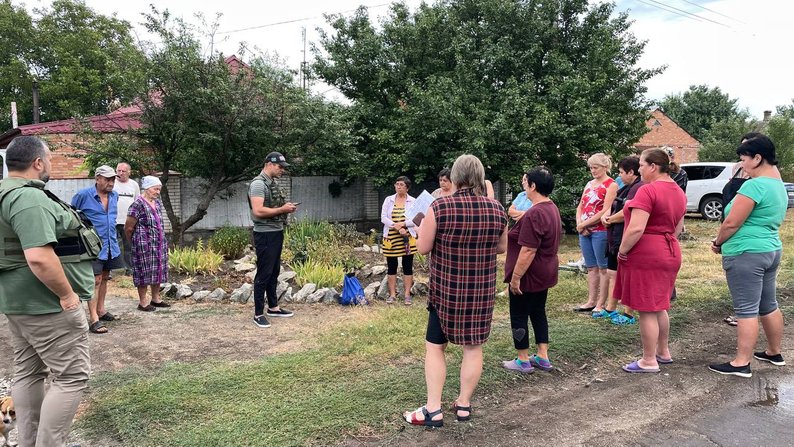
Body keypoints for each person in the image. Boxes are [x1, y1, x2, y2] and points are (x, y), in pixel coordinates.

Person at [0, 136, 92, 446]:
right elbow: (39, 256)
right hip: (46, 305)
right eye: (49, 159)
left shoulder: (4, 193)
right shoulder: (28, 198)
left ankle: (28, 441)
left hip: (18, 302)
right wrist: (68, 296)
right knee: (71, 377)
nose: (50, 165)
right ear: (38, 162)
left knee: (28, 371)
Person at [403, 154, 507, 427]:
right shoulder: (497, 209)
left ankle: (433, 410)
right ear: (480, 177)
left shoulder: (441, 207)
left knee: (435, 347)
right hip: (481, 291)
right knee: (473, 347)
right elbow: (501, 247)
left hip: (447, 290)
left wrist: (418, 229)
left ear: (457, 177)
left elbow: (424, 247)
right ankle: (463, 405)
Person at [709, 135, 787, 378]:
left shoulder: (754, 185)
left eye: (743, 159)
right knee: (768, 304)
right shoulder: (778, 184)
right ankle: (774, 352)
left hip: (746, 252)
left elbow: (732, 222)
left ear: (757, 158)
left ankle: (741, 363)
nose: (741, 164)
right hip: (770, 249)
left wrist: (718, 242)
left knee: (746, 309)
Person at [614, 148, 687, 373]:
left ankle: (648, 360)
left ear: (653, 166)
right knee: (660, 305)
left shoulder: (647, 191)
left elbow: (636, 228)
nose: (640, 170)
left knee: (646, 307)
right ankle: (663, 352)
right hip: (669, 249)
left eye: (642, 166)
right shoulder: (678, 191)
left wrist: (623, 250)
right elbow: (677, 229)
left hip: (647, 251)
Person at [502, 167, 561, 373]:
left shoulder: (534, 213)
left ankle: (523, 358)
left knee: (519, 313)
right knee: (538, 312)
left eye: (526, 182)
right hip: (545, 271)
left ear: (534, 186)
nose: (524, 186)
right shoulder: (551, 207)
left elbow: (528, 250)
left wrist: (516, 277)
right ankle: (543, 356)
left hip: (530, 273)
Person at [71, 164, 124, 334]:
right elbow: (72, 216)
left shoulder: (115, 195)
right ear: (97, 179)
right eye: (107, 179)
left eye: (113, 179)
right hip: (92, 246)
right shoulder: (83, 195)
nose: (111, 182)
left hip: (111, 244)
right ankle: (94, 319)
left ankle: (101, 310)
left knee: (106, 277)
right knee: (95, 280)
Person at [249, 151, 296, 328]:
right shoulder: (258, 185)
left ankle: (273, 307)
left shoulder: (270, 183)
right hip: (265, 234)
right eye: (280, 166)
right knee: (264, 273)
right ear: (269, 164)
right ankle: (258, 313)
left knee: (274, 271)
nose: (282, 170)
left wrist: (285, 208)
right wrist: (282, 209)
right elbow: (258, 211)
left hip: (275, 231)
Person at [599, 155, 643, 325]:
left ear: (631, 172)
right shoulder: (627, 187)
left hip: (624, 236)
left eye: (621, 172)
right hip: (614, 237)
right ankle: (610, 308)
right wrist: (607, 214)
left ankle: (628, 313)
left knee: (625, 276)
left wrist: (609, 219)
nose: (620, 176)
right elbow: (614, 203)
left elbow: (628, 211)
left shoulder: (639, 187)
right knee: (613, 273)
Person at [573, 153, 617, 315]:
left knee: (602, 267)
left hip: (600, 230)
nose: (592, 170)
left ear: (605, 167)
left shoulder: (611, 185)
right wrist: (579, 224)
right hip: (584, 230)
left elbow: (606, 209)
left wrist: (585, 223)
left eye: (596, 167)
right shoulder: (589, 184)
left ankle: (601, 302)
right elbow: (581, 206)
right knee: (591, 267)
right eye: (591, 167)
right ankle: (591, 300)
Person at [125, 176, 170, 312]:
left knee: (158, 270)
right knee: (144, 272)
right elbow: (128, 227)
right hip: (143, 245)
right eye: (155, 189)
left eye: (159, 189)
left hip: (159, 243)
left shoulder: (157, 203)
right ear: (147, 188)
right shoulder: (137, 204)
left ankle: (156, 298)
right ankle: (143, 302)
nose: (158, 192)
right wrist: (134, 242)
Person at [381, 176, 417, 305]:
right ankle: (392, 294)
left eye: (401, 185)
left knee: (408, 266)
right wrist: (396, 226)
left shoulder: (413, 201)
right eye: (397, 184)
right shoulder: (388, 200)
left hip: (407, 238)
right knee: (392, 266)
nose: (399, 186)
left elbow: (416, 219)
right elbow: (383, 217)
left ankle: (407, 294)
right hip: (391, 237)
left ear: (407, 187)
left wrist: (403, 225)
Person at [113, 162, 139, 274]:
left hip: (128, 221)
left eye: (123, 171)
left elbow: (137, 202)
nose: (120, 173)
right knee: (113, 245)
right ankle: (113, 270)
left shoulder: (134, 185)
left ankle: (130, 269)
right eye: (118, 170)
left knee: (128, 246)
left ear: (129, 172)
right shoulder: (112, 183)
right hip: (113, 220)